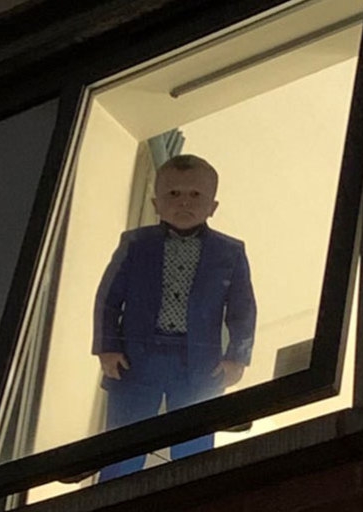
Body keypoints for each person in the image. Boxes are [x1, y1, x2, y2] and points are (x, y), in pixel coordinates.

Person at [92, 154, 256, 481]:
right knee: (124, 442)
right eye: (173, 193)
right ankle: (113, 494)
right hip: (136, 359)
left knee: (195, 446)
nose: (184, 202)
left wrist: (237, 357)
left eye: (195, 194)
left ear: (212, 206)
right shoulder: (135, 244)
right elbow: (108, 298)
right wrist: (107, 347)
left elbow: (243, 309)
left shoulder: (230, 251)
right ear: (156, 203)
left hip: (199, 364)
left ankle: (195, 494)